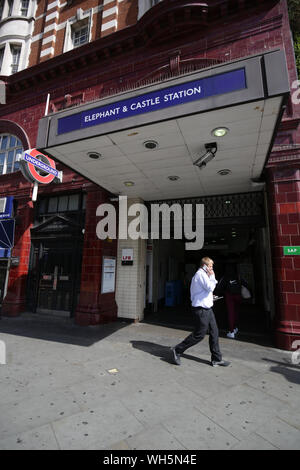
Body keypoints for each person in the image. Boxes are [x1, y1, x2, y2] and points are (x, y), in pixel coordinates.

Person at [171, 257, 230, 367]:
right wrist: (213, 276)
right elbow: (210, 287)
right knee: (199, 334)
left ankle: (216, 358)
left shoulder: (203, 275)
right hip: (201, 310)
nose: (212, 268)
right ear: (204, 266)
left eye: (212, 266)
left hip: (208, 308)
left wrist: (210, 296)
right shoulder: (200, 275)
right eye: (210, 266)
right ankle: (177, 350)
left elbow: (205, 291)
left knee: (215, 332)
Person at [218, 263, 250, 339]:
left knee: (230, 313)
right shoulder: (238, 276)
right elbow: (246, 284)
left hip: (229, 296)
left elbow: (219, 287)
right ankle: (235, 327)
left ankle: (231, 331)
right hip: (238, 296)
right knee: (236, 312)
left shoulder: (225, 277)